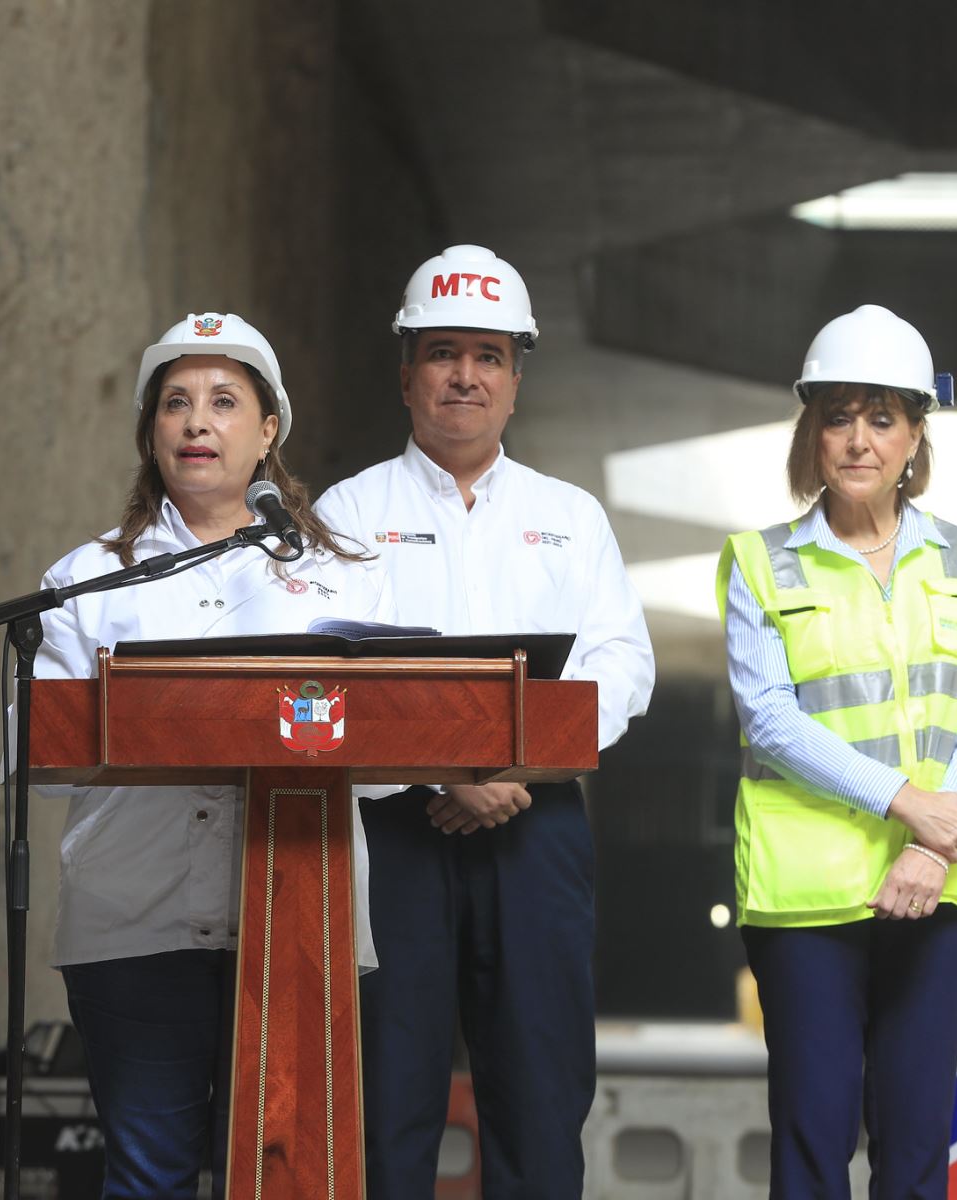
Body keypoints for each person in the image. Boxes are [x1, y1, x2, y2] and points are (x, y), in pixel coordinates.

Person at [314, 245, 655, 1199]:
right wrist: (440, 771)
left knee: (541, 1098)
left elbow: (621, 668)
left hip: (537, 830)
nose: (465, 374)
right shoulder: (346, 515)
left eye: (489, 355)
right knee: (387, 1098)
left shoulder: (570, 517)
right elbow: (328, 684)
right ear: (407, 373)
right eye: (443, 352)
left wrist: (514, 771)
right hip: (393, 833)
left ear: (516, 380)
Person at [36, 312, 392, 1198]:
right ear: (151, 434)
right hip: (134, 923)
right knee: (147, 1177)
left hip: (297, 916)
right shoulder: (86, 579)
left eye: (225, 402)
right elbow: (36, 753)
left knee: (288, 1177)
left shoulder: (348, 576)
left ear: (267, 431)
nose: (198, 422)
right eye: (176, 404)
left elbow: (389, 758)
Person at [717, 303, 957, 1197]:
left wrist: (931, 845)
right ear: (812, 431)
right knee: (811, 1141)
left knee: (918, 1139)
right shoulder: (762, 562)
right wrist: (908, 803)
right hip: (808, 898)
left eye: (882, 417)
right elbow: (769, 717)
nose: (858, 439)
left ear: (916, 434)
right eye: (839, 416)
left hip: (939, 885)